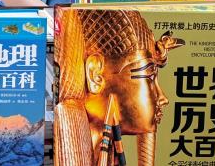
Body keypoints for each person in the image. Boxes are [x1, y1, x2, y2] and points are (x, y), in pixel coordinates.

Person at [54, 9, 184, 166]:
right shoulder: (71, 134)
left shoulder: (108, 144)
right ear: (96, 75)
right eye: (149, 77)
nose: (163, 98)